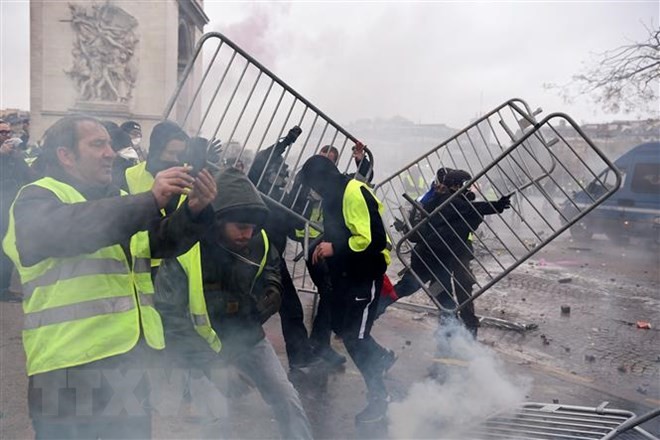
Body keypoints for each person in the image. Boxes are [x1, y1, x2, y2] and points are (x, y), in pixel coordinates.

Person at [1, 115, 217, 439]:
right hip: (66, 371)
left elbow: (158, 242)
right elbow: (73, 229)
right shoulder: (36, 197)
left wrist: (193, 212)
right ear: (66, 155)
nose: (111, 153)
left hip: (127, 366)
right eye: (97, 144)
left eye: (109, 145)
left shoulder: (114, 200)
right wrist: (148, 200)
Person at [154, 167, 313, 439]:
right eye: (241, 227)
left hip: (249, 338)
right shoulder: (184, 250)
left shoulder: (259, 240)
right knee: (216, 422)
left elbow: (273, 268)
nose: (247, 234)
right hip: (201, 347)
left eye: (252, 227)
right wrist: (215, 367)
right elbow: (170, 319)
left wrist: (272, 290)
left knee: (287, 399)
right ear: (218, 220)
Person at [299, 155, 395, 425]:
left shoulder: (354, 192)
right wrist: (323, 246)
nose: (312, 191)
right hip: (345, 276)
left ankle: (380, 397)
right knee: (344, 330)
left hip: (365, 277)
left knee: (357, 338)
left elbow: (374, 240)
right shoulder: (333, 195)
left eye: (312, 185)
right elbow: (342, 230)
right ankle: (382, 359)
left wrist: (335, 248)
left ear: (322, 179)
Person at [379, 169, 511, 337]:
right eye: (466, 185)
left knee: (444, 295)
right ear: (456, 186)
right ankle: (374, 310)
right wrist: (496, 206)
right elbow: (470, 210)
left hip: (443, 258)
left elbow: (470, 213)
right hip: (431, 258)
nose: (470, 189)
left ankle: (450, 333)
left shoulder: (442, 200)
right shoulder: (447, 202)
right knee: (412, 287)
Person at [286, 142, 373, 367]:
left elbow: (362, 181)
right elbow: (292, 206)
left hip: (330, 243)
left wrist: (360, 159)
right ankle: (321, 343)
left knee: (330, 293)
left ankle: (321, 342)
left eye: (330, 158)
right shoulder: (304, 181)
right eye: (322, 156)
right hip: (313, 243)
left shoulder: (338, 184)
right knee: (330, 291)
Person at [247, 127, 319, 369]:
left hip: (273, 260)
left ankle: (301, 358)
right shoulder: (256, 186)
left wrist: (304, 203)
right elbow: (262, 160)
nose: (284, 174)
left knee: (290, 309)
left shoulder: (281, 198)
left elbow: (291, 225)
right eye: (279, 170)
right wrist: (285, 142)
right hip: (251, 257)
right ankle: (231, 356)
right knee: (249, 311)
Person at [125, 120, 190, 277]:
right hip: (145, 265)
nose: (176, 160)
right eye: (171, 153)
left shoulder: (190, 174)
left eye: (180, 154)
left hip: (182, 265)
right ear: (157, 150)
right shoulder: (130, 175)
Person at [0, 119, 34, 300]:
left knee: (7, 248)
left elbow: (29, 176)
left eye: (8, 133)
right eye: (2, 132)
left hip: (11, 207)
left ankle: (4, 288)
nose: (6, 136)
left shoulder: (16, 155)